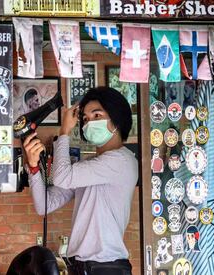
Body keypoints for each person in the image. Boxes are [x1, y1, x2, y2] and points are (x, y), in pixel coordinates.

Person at [23, 87, 138, 275]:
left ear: (116, 120)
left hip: (105, 268)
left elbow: (62, 176)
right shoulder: (90, 166)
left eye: (97, 115)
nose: (89, 123)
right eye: (85, 119)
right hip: (82, 267)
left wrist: (65, 131)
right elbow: (44, 205)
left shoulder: (122, 161)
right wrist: (34, 168)